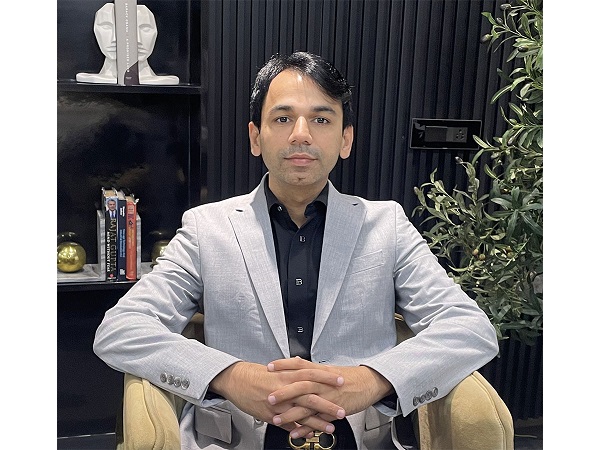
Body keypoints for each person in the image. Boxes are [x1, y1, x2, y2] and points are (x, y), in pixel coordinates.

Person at [93, 51, 499, 450]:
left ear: (345, 139)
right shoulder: (207, 228)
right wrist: (231, 376)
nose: (301, 134)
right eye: (283, 118)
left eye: (321, 119)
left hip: (358, 437)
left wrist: (371, 380)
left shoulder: (387, 225)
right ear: (256, 137)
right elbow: (122, 328)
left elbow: (470, 328)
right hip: (238, 438)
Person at [76, 3, 179, 85]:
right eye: (106, 27)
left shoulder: (168, 80)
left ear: (155, 33)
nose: (137, 40)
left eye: (145, 28)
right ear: (95, 31)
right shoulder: (87, 79)